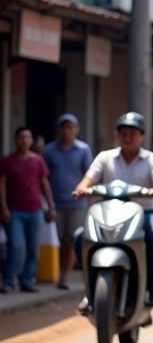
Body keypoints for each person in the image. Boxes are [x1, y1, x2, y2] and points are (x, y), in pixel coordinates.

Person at [73, 112, 153, 309]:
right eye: (123, 133)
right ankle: (89, 291)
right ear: (117, 135)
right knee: (80, 237)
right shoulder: (104, 157)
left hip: (143, 212)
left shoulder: (152, 159)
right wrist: (82, 187)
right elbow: (89, 178)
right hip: (108, 211)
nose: (127, 137)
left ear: (142, 135)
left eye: (132, 133)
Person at [0, 127, 56, 293]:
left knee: (33, 248)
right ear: (16, 140)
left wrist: (51, 205)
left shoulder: (37, 160)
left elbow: (45, 184)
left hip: (34, 210)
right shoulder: (7, 161)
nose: (24, 141)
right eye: (21, 137)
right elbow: (1, 186)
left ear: (31, 140)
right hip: (14, 210)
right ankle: (9, 281)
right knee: (15, 246)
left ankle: (27, 279)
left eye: (28, 137)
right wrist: (3, 208)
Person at [42, 113, 92, 290]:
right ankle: (54, 272)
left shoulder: (83, 150)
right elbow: (43, 177)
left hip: (76, 204)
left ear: (76, 129)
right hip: (54, 203)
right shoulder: (48, 150)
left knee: (72, 239)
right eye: (63, 127)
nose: (67, 130)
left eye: (70, 127)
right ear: (59, 129)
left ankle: (65, 276)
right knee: (57, 240)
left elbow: (89, 175)